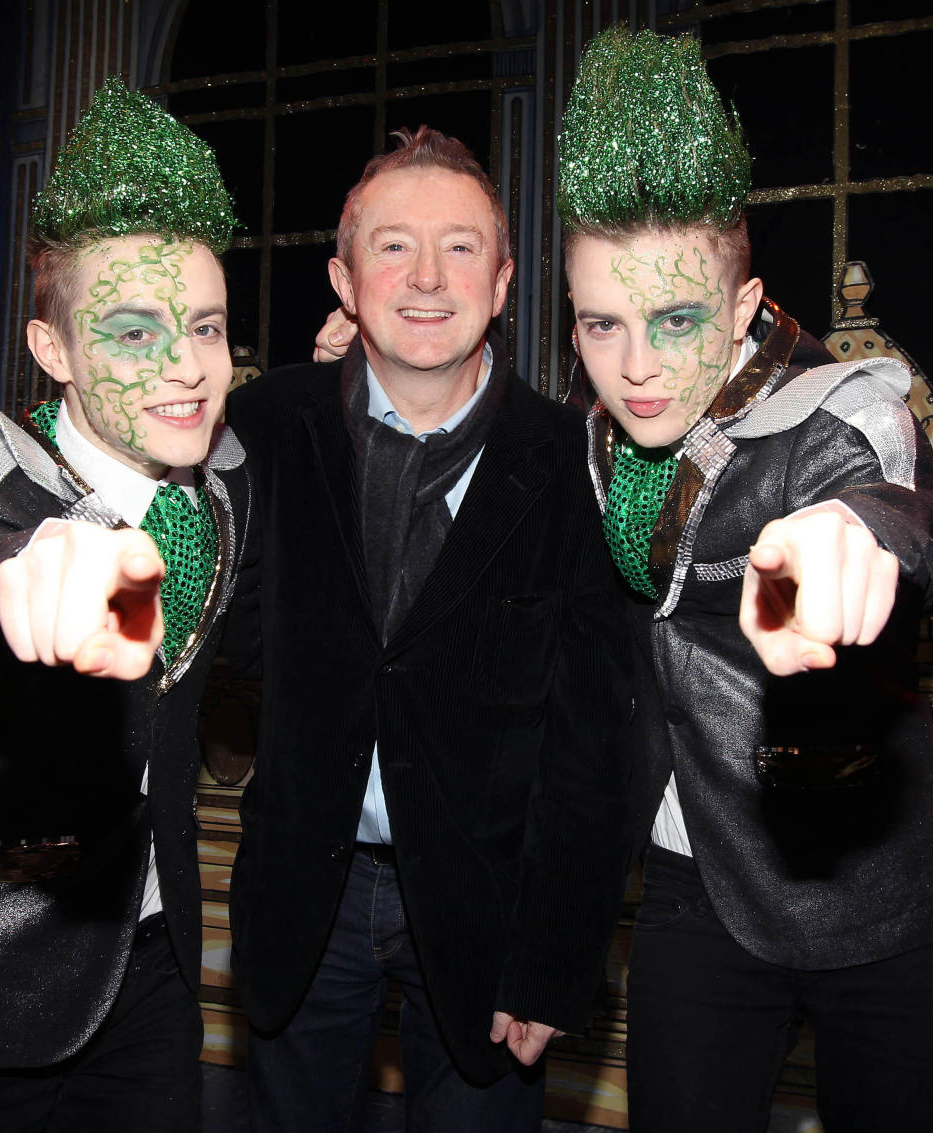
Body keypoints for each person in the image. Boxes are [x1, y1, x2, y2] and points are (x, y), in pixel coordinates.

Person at [557, 28, 933, 1133]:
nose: (638, 363)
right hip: (697, 885)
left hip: (878, 889)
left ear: (743, 309)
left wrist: (849, 542)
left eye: (679, 319)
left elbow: (884, 494)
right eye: (604, 323)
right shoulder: (595, 440)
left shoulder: (838, 408)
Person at [223, 126, 638, 1130]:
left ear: (502, 282)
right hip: (302, 898)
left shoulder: (574, 460)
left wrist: (554, 958)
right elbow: (208, 630)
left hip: (492, 910)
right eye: (393, 245)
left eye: (460, 247)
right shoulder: (265, 426)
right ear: (345, 275)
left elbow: (594, 743)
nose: (426, 276)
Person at [0, 77, 250, 1133]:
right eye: (133, 332)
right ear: (56, 351)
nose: (187, 365)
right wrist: (34, 582)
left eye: (207, 326)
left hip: (157, 967)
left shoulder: (223, 489)